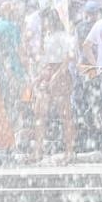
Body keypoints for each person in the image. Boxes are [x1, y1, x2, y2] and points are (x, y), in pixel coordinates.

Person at [31, 8, 77, 163]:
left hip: (60, 73)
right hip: (48, 71)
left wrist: (57, 75)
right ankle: (38, 151)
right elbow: (45, 60)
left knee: (65, 115)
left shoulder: (62, 36)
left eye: (44, 20)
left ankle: (69, 151)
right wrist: (39, 76)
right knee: (39, 113)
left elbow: (69, 56)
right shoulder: (47, 36)